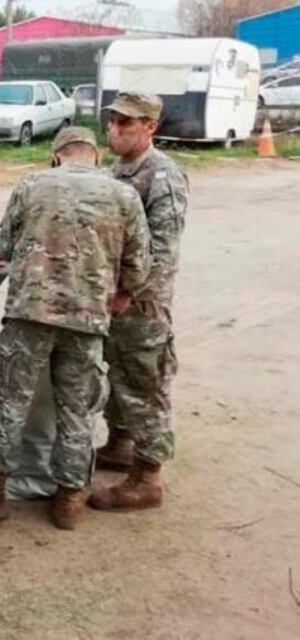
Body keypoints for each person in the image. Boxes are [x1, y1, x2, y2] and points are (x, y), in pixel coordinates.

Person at [0, 127, 150, 530]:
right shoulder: (124, 195)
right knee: (77, 411)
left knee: (9, 402)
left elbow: (4, 247)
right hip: (87, 322)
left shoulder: (31, 185)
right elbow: (139, 265)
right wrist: (117, 296)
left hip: (28, 317)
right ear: (96, 157)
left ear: (56, 156)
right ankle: (68, 501)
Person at [89, 93, 190, 511]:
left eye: (125, 123)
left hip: (141, 305)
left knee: (145, 384)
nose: (114, 130)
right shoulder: (119, 171)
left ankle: (147, 477)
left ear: (150, 126)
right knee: (117, 377)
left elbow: (164, 252)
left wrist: (129, 293)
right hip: (114, 297)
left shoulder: (162, 175)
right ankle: (120, 444)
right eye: (111, 121)